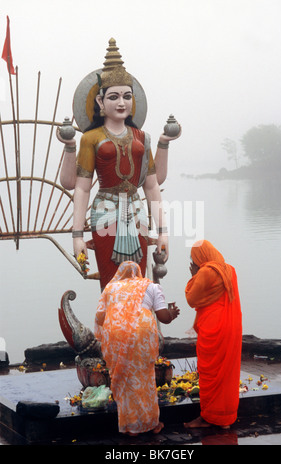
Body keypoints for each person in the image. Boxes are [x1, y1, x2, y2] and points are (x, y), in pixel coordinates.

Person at [56, 38, 181, 289]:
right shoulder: (92, 138)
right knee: (111, 283)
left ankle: (137, 327)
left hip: (136, 213)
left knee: (139, 282)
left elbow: (152, 186)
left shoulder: (141, 138)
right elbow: (80, 188)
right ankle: (111, 327)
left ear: (133, 100)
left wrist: (164, 231)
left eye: (127, 96)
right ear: (100, 102)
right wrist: (77, 234)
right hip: (105, 213)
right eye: (113, 97)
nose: (121, 102)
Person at [94, 261, 180, 436]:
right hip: (141, 334)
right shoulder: (150, 286)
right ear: (138, 273)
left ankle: (129, 426)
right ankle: (150, 423)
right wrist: (173, 313)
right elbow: (163, 317)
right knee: (144, 378)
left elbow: (100, 317)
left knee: (124, 379)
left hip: (115, 334)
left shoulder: (110, 287)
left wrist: (119, 320)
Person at [184, 240, 242, 429]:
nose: (193, 261)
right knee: (227, 374)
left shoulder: (206, 272)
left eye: (194, 258)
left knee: (209, 372)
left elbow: (192, 299)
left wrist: (194, 276)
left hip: (212, 328)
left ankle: (209, 417)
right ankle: (225, 418)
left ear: (200, 256)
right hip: (230, 326)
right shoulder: (230, 270)